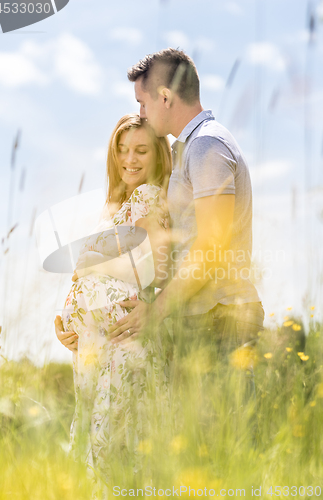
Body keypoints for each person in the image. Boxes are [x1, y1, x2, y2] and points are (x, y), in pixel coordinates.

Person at [107, 49, 264, 429]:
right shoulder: (189, 151)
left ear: (164, 97)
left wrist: (156, 311)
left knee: (225, 453)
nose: (141, 114)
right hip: (199, 323)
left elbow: (211, 246)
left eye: (142, 103)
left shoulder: (208, 146)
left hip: (222, 322)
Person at [54, 114, 172, 486]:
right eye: (122, 151)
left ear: (158, 156)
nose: (130, 160)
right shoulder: (115, 207)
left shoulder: (148, 197)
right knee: (98, 447)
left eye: (140, 151)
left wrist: (88, 268)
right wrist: (68, 327)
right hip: (98, 350)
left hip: (125, 344)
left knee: (113, 451)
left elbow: (155, 271)